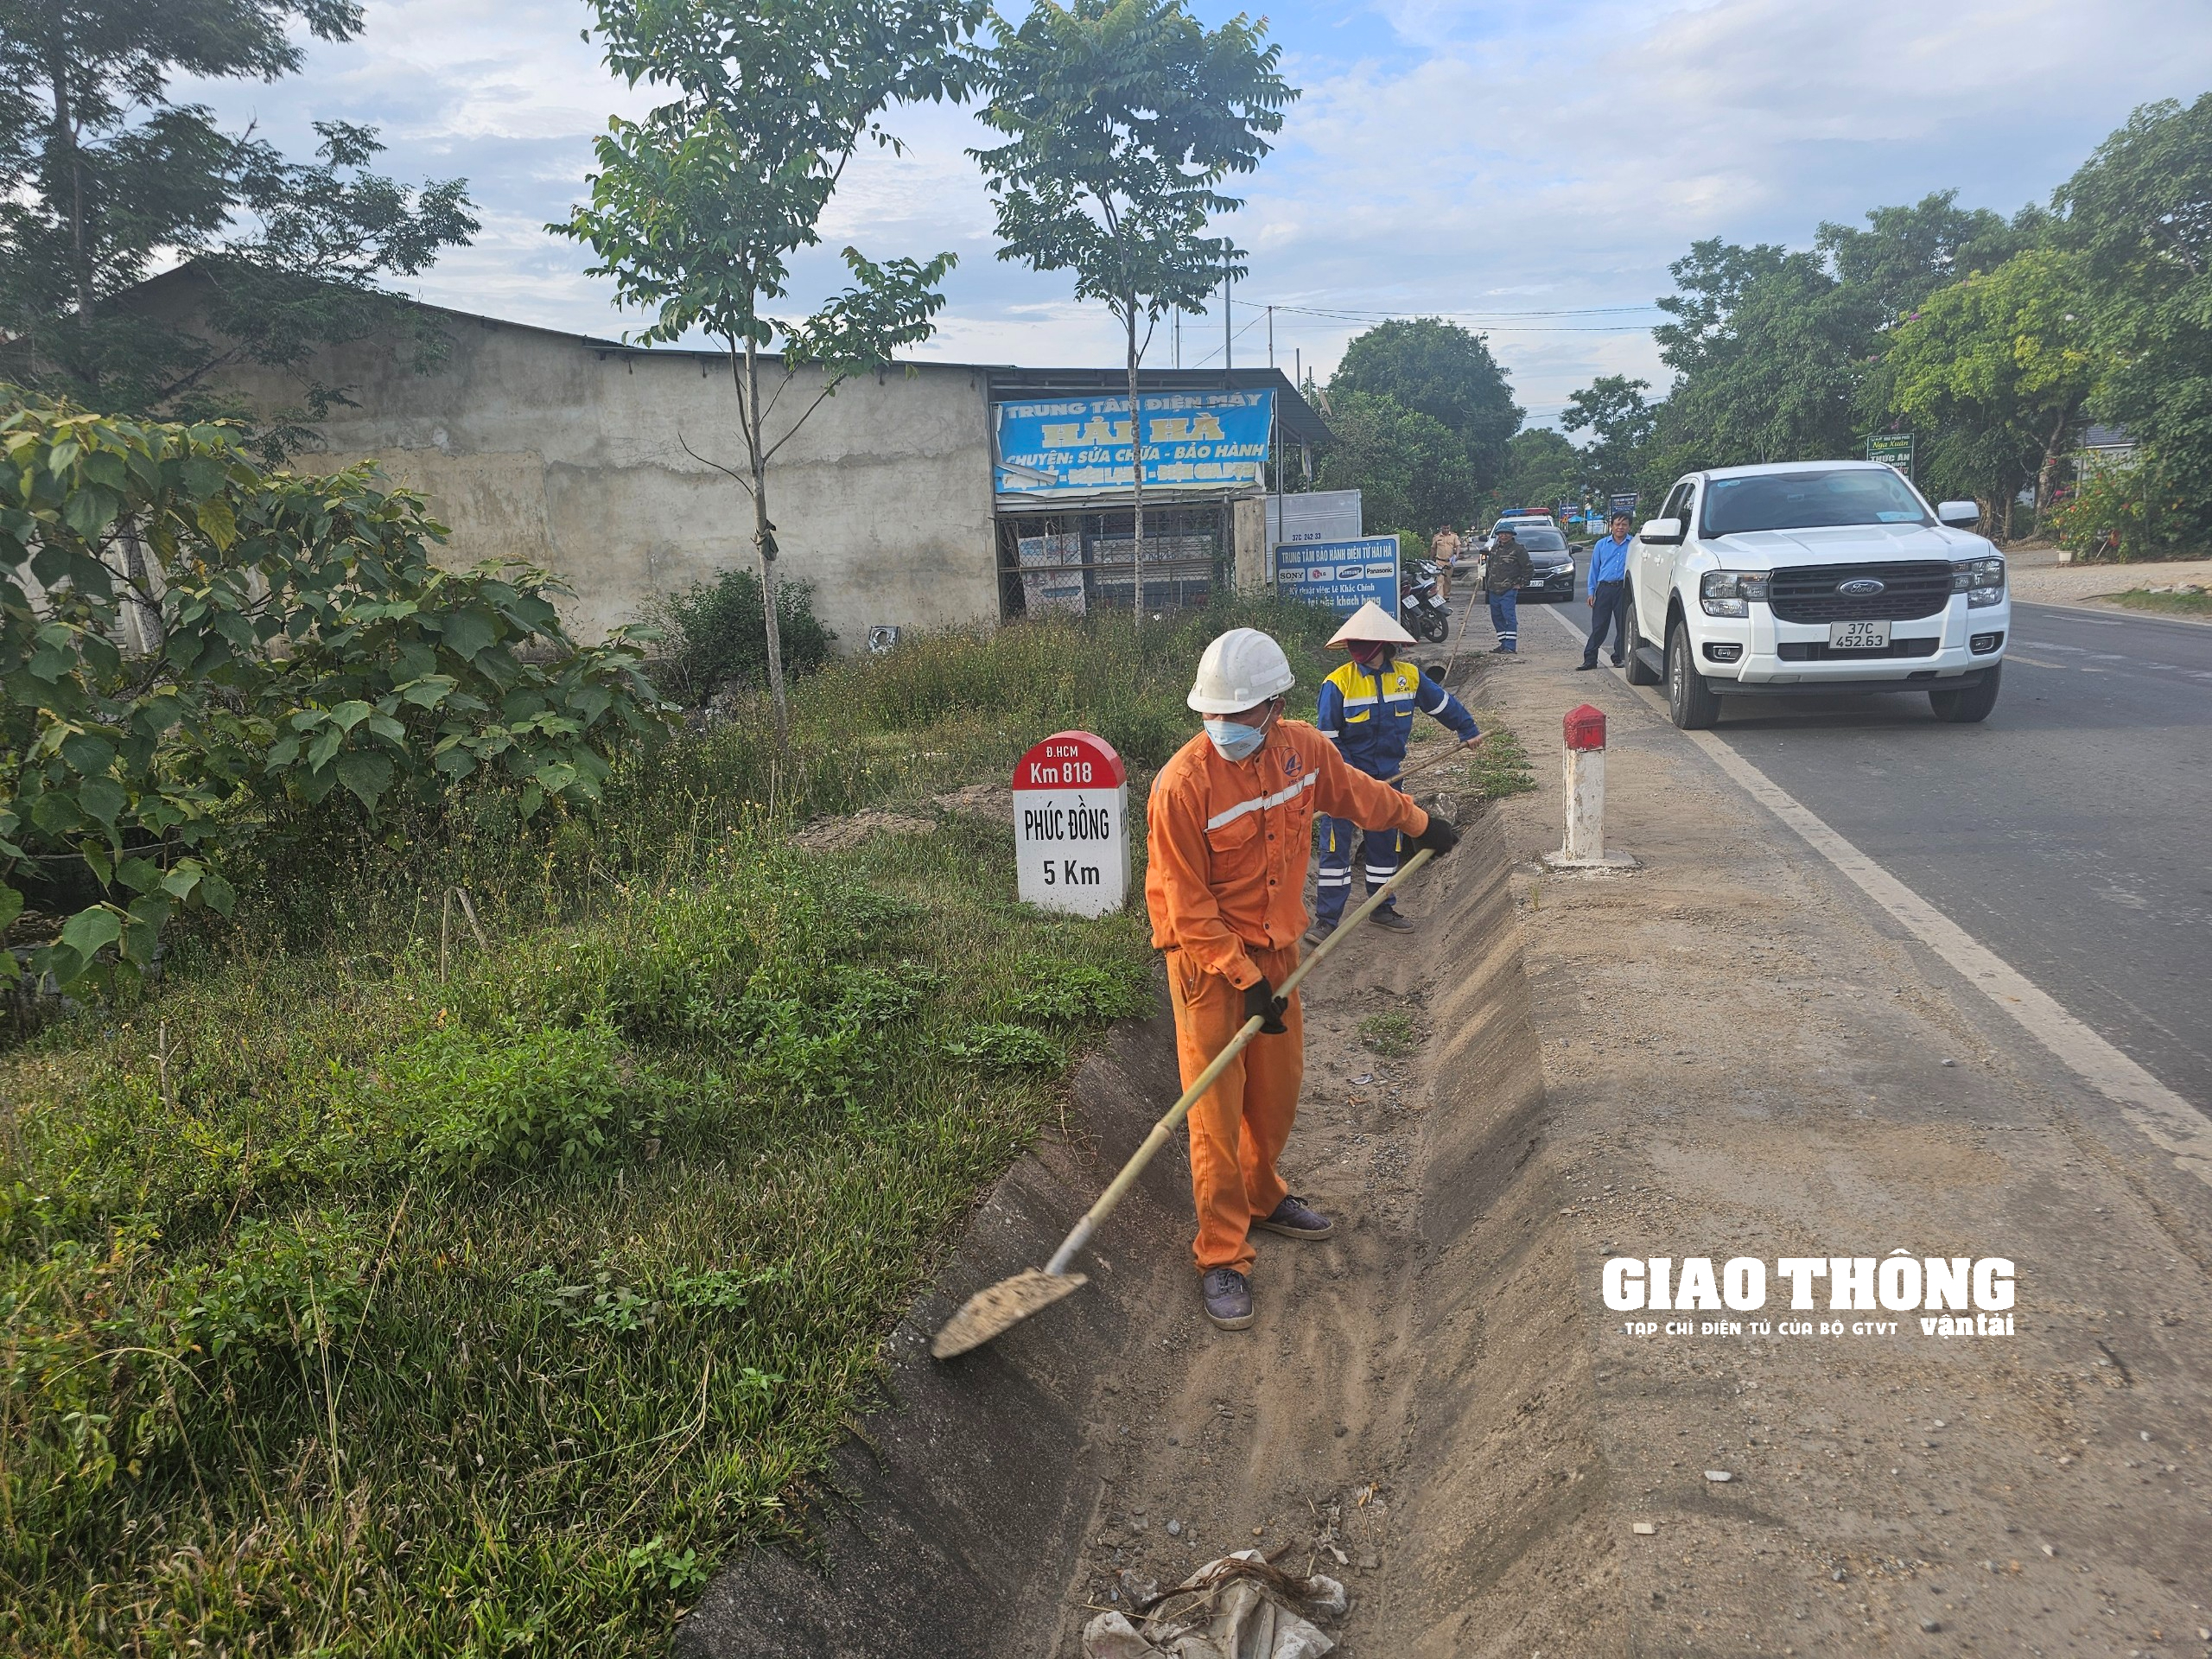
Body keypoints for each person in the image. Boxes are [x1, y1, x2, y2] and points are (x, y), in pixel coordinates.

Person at [1147, 627, 1460, 1331]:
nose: (1224, 727)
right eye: (1213, 714)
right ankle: (1223, 1251)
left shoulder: (1303, 751)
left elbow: (1356, 795)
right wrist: (1238, 975)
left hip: (1277, 953)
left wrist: (1419, 822)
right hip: (1207, 966)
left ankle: (1263, 1197)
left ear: (1277, 705)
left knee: (1276, 1094)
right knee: (1216, 1114)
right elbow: (1188, 907)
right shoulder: (1180, 787)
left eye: (1240, 713)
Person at [1311, 601, 1481, 940]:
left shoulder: (1409, 677)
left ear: (1384, 647)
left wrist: (1468, 730)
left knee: (1385, 847)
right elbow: (1326, 742)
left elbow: (1441, 705)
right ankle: (1327, 921)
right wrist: (1348, 778)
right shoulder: (1337, 684)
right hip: (1343, 782)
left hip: (1389, 778)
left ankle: (1382, 909)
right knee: (1335, 848)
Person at [1580, 511, 1635, 671]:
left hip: (1624, 589)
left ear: (1629, 527)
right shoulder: (1601, 545)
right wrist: (1591, 592)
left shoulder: (1633, 545)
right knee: (1599, 626)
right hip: (1604, 589)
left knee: (1623, 625)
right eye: (1617, 524)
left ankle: (1618, 657)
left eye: (1624, 525)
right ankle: (1590, 659)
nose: (1620, 528)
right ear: (1611, 526)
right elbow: (1594, 570)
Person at [1484, 525, 1531, 655]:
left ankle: (1510, 646)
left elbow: (1528, 568)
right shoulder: (1494, 549)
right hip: (1494, 589)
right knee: (1496, 617)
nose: (1504, 536)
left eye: (1507, 533)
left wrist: (1522, 584)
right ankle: (1503, 644)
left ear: (1512, 535)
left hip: (1508, 590)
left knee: (1509, 617)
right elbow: (1489, 567)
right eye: (1501, 533)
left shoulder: (1518, 550)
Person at [1431, 523, 1461, 604]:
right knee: (1440, 580)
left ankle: (1446, 596)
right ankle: (1440, 597)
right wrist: (1431, 559)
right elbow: (1433, 548)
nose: (1446, 530)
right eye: (1445, 528)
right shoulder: (1437, 537)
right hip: (1439, 561)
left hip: (1449, 562)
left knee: (1447, 580)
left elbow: (1458, 546)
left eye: (1448, 528)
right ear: (1441, 528)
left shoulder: (1454, 536)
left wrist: (1457, 555)